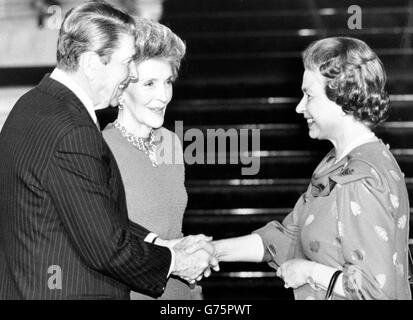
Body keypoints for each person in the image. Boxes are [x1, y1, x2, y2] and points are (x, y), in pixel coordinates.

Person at [0, 1, 216, 300]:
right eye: (127, 62)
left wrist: (164, 244)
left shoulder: (34, 104)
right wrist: (177, 261)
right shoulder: (72, 132)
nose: (129, 73)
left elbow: (95, 217)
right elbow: (106, 247)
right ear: (92, 64)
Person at [213, 37, 412, 300]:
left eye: (308, 95)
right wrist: (211, 251)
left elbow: (373, 291)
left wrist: (308, 271)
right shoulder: (337, 163)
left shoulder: (360, 177)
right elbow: (289, 237)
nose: (299, 107)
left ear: (343, 98)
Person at [102, 18, 202, 300]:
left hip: (181, 293)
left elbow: (173, 229)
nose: (163, 96)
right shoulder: (100, 149)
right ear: (121, 89)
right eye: (149, 84)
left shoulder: (171, 141)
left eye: (167, 81)